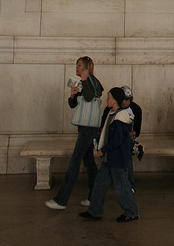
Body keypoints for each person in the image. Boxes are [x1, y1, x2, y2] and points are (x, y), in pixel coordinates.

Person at [45, 56, 103, 210]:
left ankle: (61, 200)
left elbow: (91, 97)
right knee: (89, 163)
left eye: (79, 65)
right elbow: (73, 104)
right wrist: (72, 95)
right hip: (84, 127)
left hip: (88, 128)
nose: (76, 68)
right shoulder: (83, 83)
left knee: (74, 162)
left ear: (87, 67)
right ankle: (95, 197)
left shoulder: (93, 82)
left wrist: (84, 80)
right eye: (76, 65)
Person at [79, 87, 139, 223]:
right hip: (109, 158)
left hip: (117, 158)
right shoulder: (111, 113)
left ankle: (131, 212)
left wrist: (103, 149)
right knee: (100, 184)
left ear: (116, 101)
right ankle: (95, 211)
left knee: (122, 186)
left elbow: (117, 140)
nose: (107, 100)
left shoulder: (121, 117)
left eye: (110, 98)